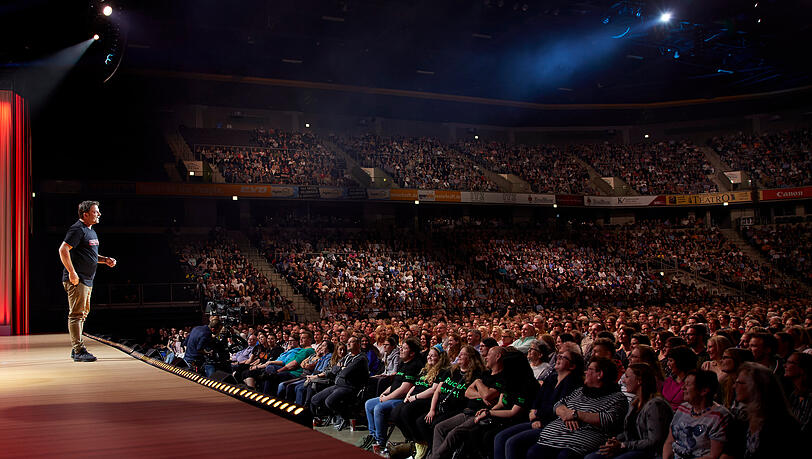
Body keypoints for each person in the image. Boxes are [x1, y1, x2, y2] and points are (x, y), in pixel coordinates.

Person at [528, 357, 629, 459]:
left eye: (589, 369)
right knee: (533, 452)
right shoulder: (580, 391)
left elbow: (609, 419)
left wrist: (576, 415)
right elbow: (558, 404)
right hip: (553, 437)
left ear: (600, 374)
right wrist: (565, 413)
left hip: (579, 443)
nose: (586, 372)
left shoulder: (617, 398)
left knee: (564, 456)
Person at [494, 349, 584, 459]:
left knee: (512, 443)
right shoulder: (552, 378)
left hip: (552, 425)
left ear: (572, 366)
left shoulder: (574, 384)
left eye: (562, 357)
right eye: (558, 356)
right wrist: (534, 412)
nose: (558, 358)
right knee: (500, 437)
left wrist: (537, 413)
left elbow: (559, 409)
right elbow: (538, 399)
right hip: (537, 420)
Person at [58, 200, 117, 362]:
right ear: (85, 214)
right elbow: (63, 249)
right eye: (95, 212)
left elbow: (89, 255)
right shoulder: (77, 229)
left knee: (82, 314)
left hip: (87, 280)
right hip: (78, 279)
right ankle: (78, 350)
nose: (99, 214)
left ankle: (76, 347)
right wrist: (72, 273)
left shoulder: (90, 231)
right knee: (76, 315)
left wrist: (105, 260)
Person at [587, 363, 673, 459]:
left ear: (639, 380)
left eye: (627, 377)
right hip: (631, 447)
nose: (624, 381)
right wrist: (614, 441)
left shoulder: (655, 405)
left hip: (650, 452)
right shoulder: (634, 402)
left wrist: (623, 445)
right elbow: (630, 432)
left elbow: (654, 441)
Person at [362, 338, 424, 455]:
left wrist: (387, 398)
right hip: (393, 396)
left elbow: (404, 389)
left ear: (412, 353)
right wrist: (385, 393)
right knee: (369, 404)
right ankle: (373, 437)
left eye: (405, 348)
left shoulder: (414, 365)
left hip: (402, 399)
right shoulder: (403, 363)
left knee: (379, 408)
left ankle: (380, 442)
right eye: (401, 347)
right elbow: (395, 384)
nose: (401, 350)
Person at [735, 362, 802, 457]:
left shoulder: (783, 426)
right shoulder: (743, 419)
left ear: (757, 386)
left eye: (739, 383)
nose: (734, 386)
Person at [663, 370, 731, 459]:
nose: (682, 388)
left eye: (687, 384)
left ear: (704, 391)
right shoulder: (682, 408)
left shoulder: (719, 416)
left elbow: (713, 456)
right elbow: (669, 442)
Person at [783, 351, 812, 434]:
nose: (785, 365)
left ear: (802, 369)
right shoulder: (793, 394)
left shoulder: (810, 398)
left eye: (790, 363)